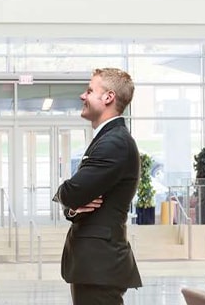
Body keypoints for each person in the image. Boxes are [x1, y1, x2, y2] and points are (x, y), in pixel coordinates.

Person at [52, 68, 142, 305]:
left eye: (90, 91)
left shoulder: (114, 142)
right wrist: (73, 207)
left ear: (108, 97)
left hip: (100, 266)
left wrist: (65, 194)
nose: (83, 96)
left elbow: (73, 191)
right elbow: (76, 200)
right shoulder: (107, 139)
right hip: (94, 267)